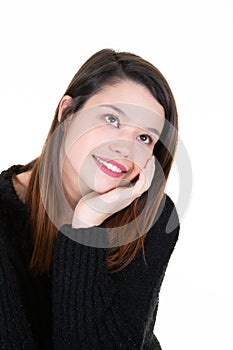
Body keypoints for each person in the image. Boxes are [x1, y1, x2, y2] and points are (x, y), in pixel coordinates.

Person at [0, 48, 180, 349]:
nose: (125, 148)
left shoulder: (152, 217)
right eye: (112, 119)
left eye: (144, 137)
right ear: (68, 113)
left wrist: (86, 224)